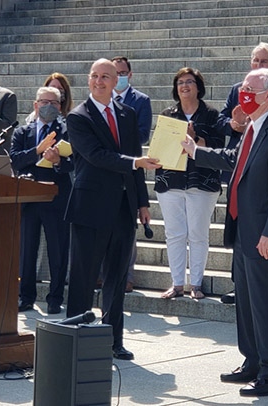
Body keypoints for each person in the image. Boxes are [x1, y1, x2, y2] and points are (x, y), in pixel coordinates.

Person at [182, 68, 268, 397]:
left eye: (250, 89)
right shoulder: (254, 127)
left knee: (263, 304)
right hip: (244, 229)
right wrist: (195, 151)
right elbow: (236, 159)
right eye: (242, 89)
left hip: (263, 235)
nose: (242, 94)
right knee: (246, 304)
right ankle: (252, 362)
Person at [64, 59, 160, 361]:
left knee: (117, 278)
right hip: (89, 208)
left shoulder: (127, 114)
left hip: (122, 208)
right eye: (94, 76)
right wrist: (134, 163)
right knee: (83, 276)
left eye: (106, 76)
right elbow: (96, 155)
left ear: (117, 80)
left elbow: (135, 159)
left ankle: (113, 339)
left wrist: (142, 202)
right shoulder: (79, 116)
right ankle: (76, 339)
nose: (99, 81)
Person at [217, 41, 268, 304]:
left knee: (262, 295)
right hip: (242, 191)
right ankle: (240, 287)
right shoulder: (240, 94)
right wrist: (234, 126)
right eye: (255, 60)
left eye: (264, 62)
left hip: (264, 199)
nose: (258, 65)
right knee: (245, 294)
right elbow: (222, 121)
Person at [156, 67, 224, 300]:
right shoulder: (168, 114)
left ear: (198, 87)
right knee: (174, 233)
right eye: (180, 83)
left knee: (198, 233)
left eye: (190, 82)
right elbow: (160, 147)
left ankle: (196, 284)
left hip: (201, 181)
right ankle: (176, 284)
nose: (184, 86)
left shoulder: (212, 115)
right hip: (171, 181)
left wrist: (194, 138)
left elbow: (218, 148)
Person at [10, 87, 73, 315]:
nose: (49, 106)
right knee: (27, 251)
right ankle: (26, 296)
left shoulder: (66, 130)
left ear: (60, 106)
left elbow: (73, 163)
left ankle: (55, 298)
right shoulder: (22, 131)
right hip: (28, 198)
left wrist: (57, 161)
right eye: (44, 101)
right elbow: (15, 160)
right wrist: (38, 150)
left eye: (54, 103)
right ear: (35, 105)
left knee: (58, 251)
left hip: (56, 198)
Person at [112, 55, 153, 293]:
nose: (118, 77)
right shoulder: (101, 99)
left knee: (128, 226)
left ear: (130, 74)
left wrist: (118, 143)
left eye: (122, 73)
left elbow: (143, 135)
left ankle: (128, 275)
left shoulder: (141, 101)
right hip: (107, 169)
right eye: (114, 73)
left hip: (131, 164)